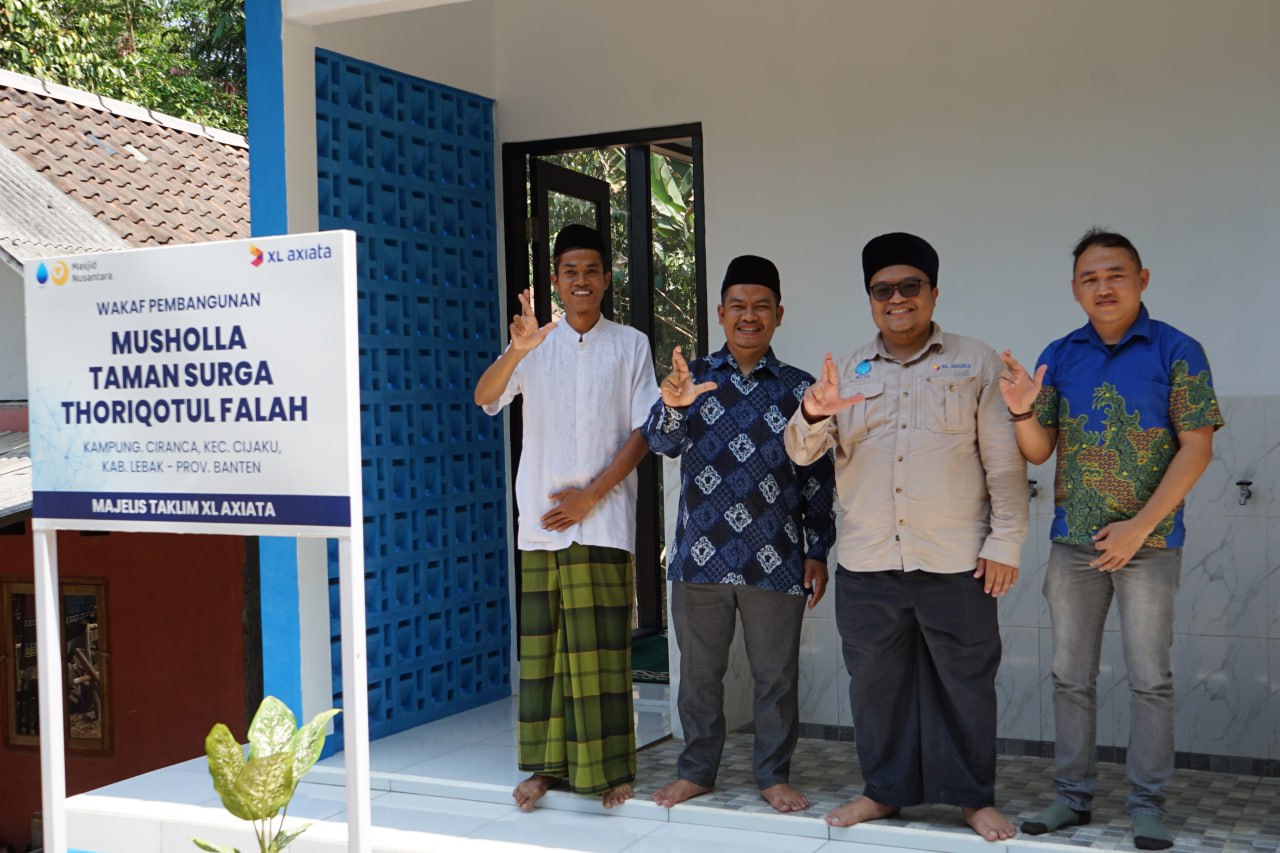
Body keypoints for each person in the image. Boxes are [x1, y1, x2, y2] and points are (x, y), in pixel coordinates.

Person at [784, 232, 1027, 841]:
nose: (897, 299)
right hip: (869, 561)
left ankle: (972, 798)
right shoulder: (849, 369)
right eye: (882, 290)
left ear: (933, 292)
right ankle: (884, 791)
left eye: (909, 287)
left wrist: (1006, 542)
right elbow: (799, 450)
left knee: (965, 682)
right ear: (870, 300)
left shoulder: (976, 362)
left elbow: (1003, 463)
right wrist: (814, 411)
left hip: (956, 559)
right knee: (875, 685)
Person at [1000, 229, 1222, 851]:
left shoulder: (1179, 351)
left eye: (1116, 274)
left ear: (1142, 279)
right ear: (1075, 289)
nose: (1104, 286)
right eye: (1090, 278)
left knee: (1150, 678)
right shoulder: (1060, 354)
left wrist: (1140, 527)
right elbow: (1041, 452)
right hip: (1073, 544)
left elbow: (1198, 448)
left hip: (1149, 546)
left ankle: (1147, 805)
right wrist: (1022, 411)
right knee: (1070, 676)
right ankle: (1072, 798)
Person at [474, 224, 658, 811]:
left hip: (601, 523)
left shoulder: (630, 344)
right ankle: (545, 771)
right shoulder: (535, 343)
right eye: (570, 270)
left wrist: (591, 495)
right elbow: (485, 396)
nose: (581, 280)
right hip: (540, 525)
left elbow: (644, 431)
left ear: (606, 279)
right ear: (556, 279)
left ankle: (609, 772)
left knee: (602, 651)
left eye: (591, 270)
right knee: (546, 653)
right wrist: (517, 351)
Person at [642, 255, 836, 813]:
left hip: (775, 558)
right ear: (722, 314)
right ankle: (697, 771)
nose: (749, 317)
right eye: (738, 307)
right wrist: (675, 406)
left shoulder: (800, 388)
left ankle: (773, 775)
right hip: (698, 561)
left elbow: (817, 476)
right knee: (700, 676)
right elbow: (659, 442)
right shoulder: (692, 379)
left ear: (778, 315)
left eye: (761, 307)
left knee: (776, 676)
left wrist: (817, 551)